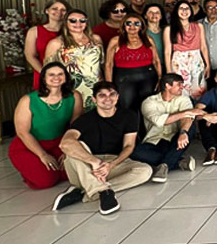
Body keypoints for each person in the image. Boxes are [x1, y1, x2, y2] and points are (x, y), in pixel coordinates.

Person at [53, 81, 152, 214]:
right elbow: (65, 143)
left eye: (112, 94)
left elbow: (129, 146)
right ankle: (104, 191)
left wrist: (111, 165)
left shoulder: (129, 116)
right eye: (102, 95)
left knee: (145, 171)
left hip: (111, 164)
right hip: (86, 165)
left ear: (117, 97)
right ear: (94, 99)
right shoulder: (84, 119)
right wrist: (94, 162)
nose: (108, 98)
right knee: (75, 146)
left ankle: (85, 193)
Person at [9, 63, 83, 189]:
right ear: (43, 78)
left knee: (71, 174)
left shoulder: (74, 96)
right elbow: (22, 132)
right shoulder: (27, 100)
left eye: (60, 74)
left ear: (66, 77)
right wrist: (42, 154)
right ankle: (31, 167)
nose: (56, 77)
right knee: (46, 181)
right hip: (30, 145)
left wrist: (68, 149)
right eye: (51, 75)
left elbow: (75, 125)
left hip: (58, 143)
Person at [131, 73, 202, 182]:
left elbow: (188, 118)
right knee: (135, 153)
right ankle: (178, 161)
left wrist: (183, 132)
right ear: (167, 86)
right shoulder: (149, 102)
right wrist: (185, 112)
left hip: (175, 138)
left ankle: (164, 166)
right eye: (179, 84)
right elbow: (159, 121)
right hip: (155, 140)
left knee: (189, 128)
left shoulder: (184, 99)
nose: (182, 87)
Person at [104, 13, 162, 121]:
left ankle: (147, 131)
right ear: (123, 25)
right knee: (126, 108)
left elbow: (156, 61)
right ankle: (130, 131)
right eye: (128, 23)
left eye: (136, 23)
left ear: (141, 26)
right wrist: (109, 85)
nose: (132, 26)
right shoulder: (116, 41)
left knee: (148, 108)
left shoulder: (148, 39)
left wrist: (160, 78)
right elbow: (108, 64)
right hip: (124, 79)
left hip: (148, 78)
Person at [45, 9, 103, 111]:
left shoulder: (96, 39)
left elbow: (102, 64)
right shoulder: (56, 43)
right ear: (65, 22)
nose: (78, 24)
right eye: (73, 20)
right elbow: (47, 71)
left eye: (82, 20)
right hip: (70, 88)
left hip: (96, 87)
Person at [164, 0, 210, 100]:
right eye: (181, 8)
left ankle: (198, 109)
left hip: (196, 60)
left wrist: (208, 65)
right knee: (180, 90)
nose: (184, 11)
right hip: (179, 62)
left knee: (199, 89)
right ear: (176, 11)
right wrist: (169, 72)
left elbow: (203, 47)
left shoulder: (199, 26)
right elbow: (167, 52)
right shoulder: (169, 29)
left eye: (187, 8)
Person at [25, 0, 70, 90]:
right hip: (43, 73)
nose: (59, 12)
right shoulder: (34, 31)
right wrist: (45, 73)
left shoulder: (73, 30)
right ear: (47, 10)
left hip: (69, 75)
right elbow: (30, 55)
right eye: (55, 9)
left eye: (63, 10)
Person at [143, 3, 167, 72]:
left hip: (166, 66)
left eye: (157, 12)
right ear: (145, 16)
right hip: (149, 67)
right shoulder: (142, 32)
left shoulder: (166, 31)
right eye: (151, 12)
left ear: (161, 16)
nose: (154, 15)